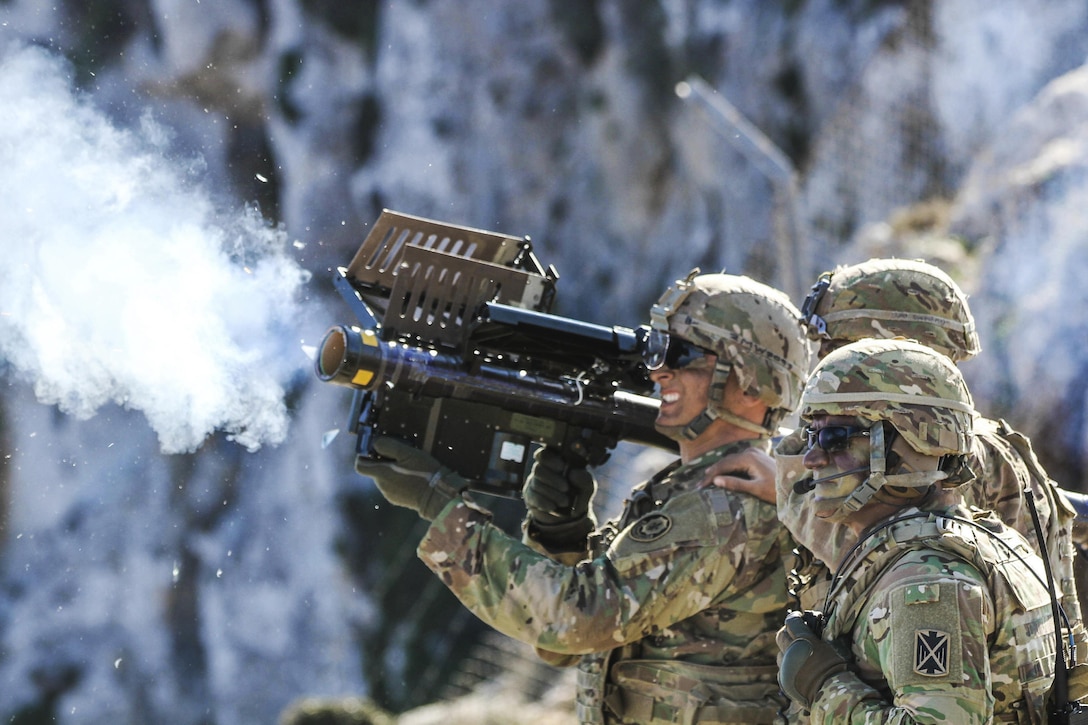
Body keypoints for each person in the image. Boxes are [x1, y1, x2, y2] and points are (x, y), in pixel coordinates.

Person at [355, 269, 812, 724]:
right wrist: (561, 533)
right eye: (655, 351)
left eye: (682, 354)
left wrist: (440, 506)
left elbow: (579, 619)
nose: (657, 370)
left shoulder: (726, 503)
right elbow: (567, 645)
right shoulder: (684, 487)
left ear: (751, 380)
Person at [712, 258, 1083, 636]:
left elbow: (877, 558)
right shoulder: (960, 444)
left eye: (836, 347)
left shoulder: (949, 454)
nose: (823, 367)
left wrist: (787, 485)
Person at [776, 337, 1060, 723]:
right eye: (812, 435)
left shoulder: (926, 584)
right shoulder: (989, 541)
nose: (811, 458)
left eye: (835, 438)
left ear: (912, 444)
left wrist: (825, 686)